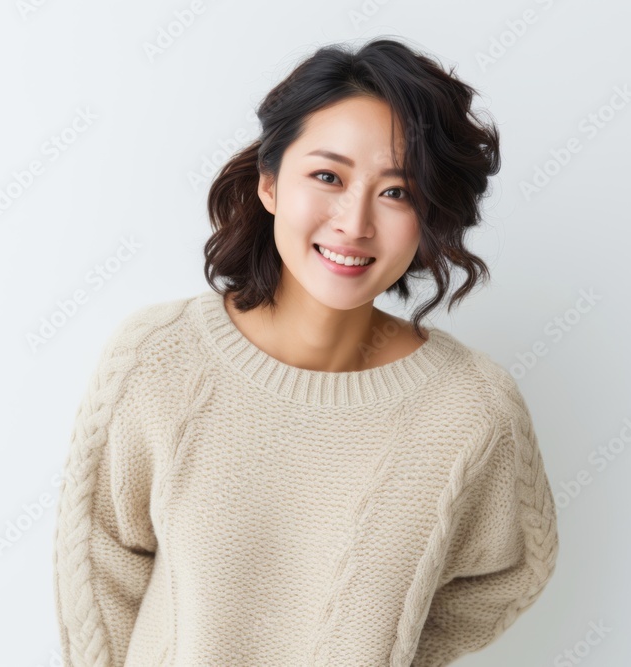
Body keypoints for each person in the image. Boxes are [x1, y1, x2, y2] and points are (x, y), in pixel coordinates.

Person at [53, 36, 559, 667]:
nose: (355, 222)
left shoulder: (472, 407)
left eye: (397, 191)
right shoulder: (158, 357)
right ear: (268, 183)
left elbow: (510, 572)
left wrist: (391, 648)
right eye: (327, 176)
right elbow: (100, 568)